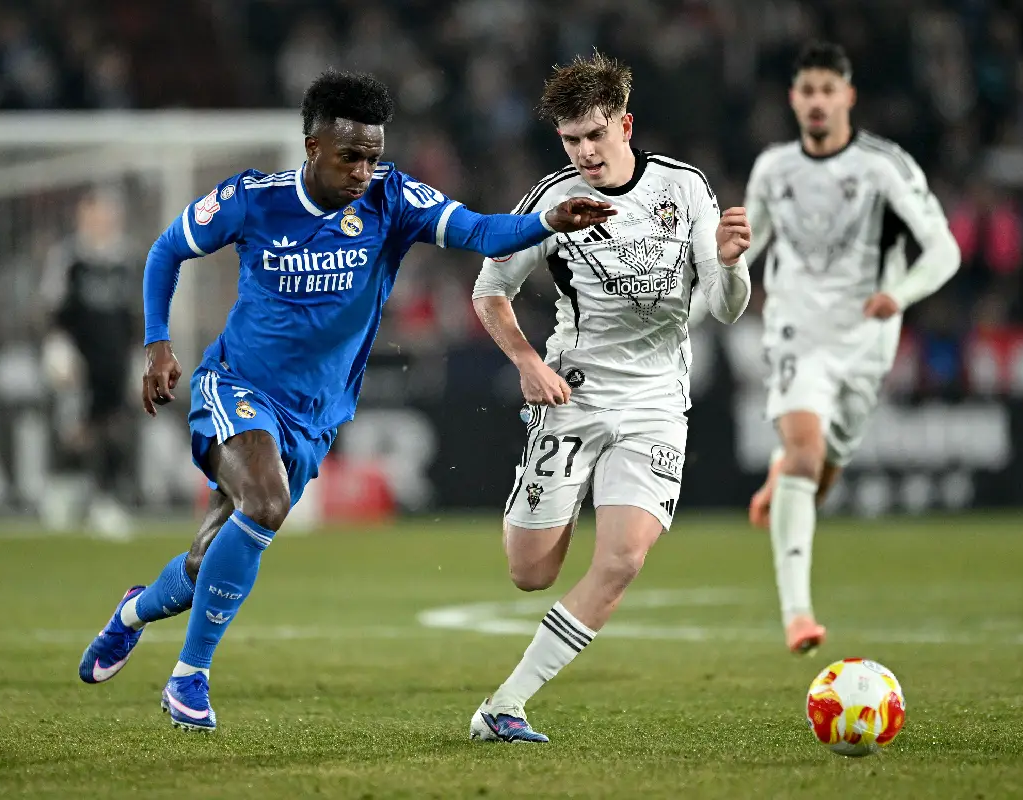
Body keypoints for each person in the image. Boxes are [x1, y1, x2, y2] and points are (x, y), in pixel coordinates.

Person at [77, 69, 613, 732]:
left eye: (373, 156)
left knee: (205, 560)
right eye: (350, 156)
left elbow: (480, 232)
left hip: (315, 414)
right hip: (237, 386)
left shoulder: (393, 199)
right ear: (313, 147)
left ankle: (131, 613)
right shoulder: (252, 199)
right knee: (265, 503)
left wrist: (546, 221)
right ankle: (190, 678)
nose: (364, 171)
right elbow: (165, 252)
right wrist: (157, 343)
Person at [467, 52, 753, 743]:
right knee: (530, 573)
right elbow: (489, 290)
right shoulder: (552, 199)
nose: (585, 152)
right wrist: (528, 363)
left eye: (596, 135)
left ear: (625, 124)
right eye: (571, 140)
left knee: (623, 559)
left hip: (656, 401)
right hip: (575, 394)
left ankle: (505, 705)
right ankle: (548, 490)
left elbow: (724, 307)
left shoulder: (684, 190)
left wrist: (732, 263)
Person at [743, 42, 960, 654]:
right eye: (807, 91)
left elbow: (944, 249)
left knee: (824, 466)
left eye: (827, 90)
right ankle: (797, 615)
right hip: (796, 329)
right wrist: (704, 286)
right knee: (806, 454)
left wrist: (901, 293)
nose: (817, 101)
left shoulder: (883, 167)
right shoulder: (773, 169)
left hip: (867, 335)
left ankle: (784, 473)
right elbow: (745, 247)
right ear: (794, 99)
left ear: (847, 97)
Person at [39, 187, 138, 539]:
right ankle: (60, 492)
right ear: (82, 218)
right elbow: (52, 306)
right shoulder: (69, 259)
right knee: (75, 429)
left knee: (113, 426)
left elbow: (134, 313)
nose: (102, 223)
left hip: (114, 358)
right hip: (78, 359)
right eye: (95, 215)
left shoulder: (127, 260)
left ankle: (104, 501)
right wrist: (57, 347)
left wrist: (140, 354)